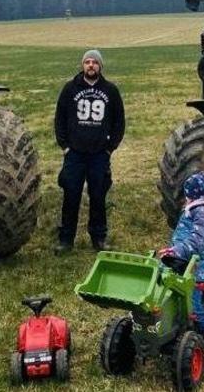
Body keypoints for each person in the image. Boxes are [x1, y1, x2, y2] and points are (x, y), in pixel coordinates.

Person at [159, 172, 204, 373]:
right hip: (183, 260)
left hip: (198, 267)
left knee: (194, 307)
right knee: (160, 282)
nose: (186, 198)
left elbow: (198, 241)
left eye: (187, 194)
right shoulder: (196, 208)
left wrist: (178, 250)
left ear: (194, 195)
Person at [54, 49, 125, 253]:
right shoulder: (70, 89)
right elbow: (60, 118)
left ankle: (99, 238)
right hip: (74, 154)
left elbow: (119, 121)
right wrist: (65, 146)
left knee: (98, 196)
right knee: (71, 196)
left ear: (100, 66)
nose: (91, 65)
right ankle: (66, 240)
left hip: (99, 155)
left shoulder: (110, 90)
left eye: (94, 62)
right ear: (82, 65)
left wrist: (110, 149)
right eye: (87, 62)